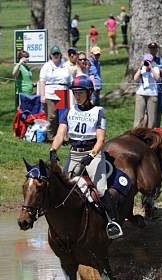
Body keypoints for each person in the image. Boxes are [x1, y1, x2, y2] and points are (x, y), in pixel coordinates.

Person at [49, 75, 123, 240]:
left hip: (93, 154)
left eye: (80, 92)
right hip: (74, 153)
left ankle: (113, 223)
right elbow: (61, 134)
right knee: (64, 187)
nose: (77, 95)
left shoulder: (98, 112)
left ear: (89, 93)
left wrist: (91, 155)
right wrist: (53, 150)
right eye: (75, 92)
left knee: (102, 189)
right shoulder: (69, 111)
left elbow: (101, 140)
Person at [39, 45, 72, 140]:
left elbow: (70, 80)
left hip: (63, 92)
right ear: (51, 55)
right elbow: (42, 81)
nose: (56, 55)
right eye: (54, 54)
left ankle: (63, 137)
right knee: (52, 117)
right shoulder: (46, 66)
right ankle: (51, 137)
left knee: (63, 117)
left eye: (57, 53)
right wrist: (42, 95)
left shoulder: (65, 65)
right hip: (51, 93)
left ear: (60, 55)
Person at [133, 53, 160, 128]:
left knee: (152, 119)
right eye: (146, 60)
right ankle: (136, 135)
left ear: (152, 61)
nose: (147, 62)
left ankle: (150, 136)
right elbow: (135, 79)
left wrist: (151, 69)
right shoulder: (142, 68)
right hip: (141, 94)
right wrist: (140, 68)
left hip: (152, 94)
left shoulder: (155, 68)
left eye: (149, 61)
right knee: (138, 118)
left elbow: (157, 78)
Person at [148, 42, 162, 127]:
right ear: (149, 50)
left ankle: (157, 129)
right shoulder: (147, 60)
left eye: (155, 48)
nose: (153, 50)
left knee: (159, 110)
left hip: (159, 88)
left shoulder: (160, 60)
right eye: (152, 48)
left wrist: (157, 70)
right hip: (150, 90)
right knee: (149, 111)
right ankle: (148, 129)